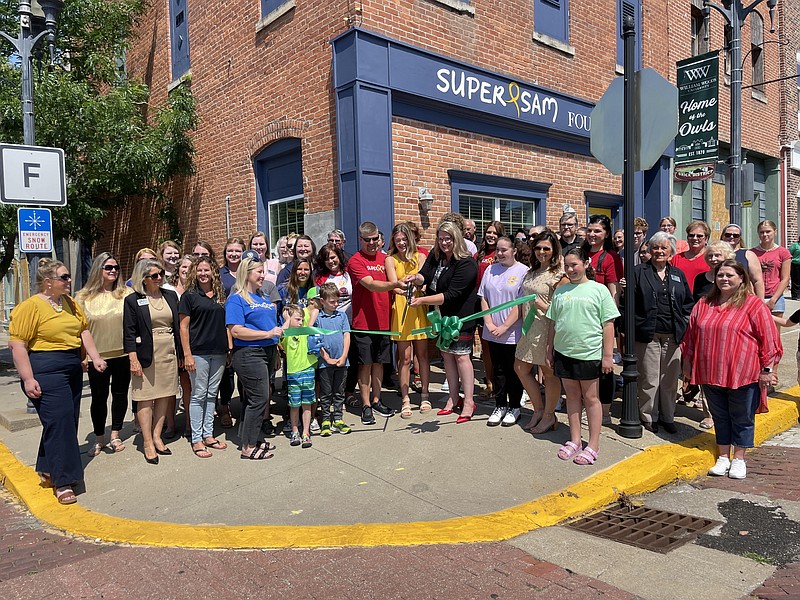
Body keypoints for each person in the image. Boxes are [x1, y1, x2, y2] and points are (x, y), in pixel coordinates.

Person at [9, 259, 107, 505]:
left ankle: (47, 467)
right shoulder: (30, 307)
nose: (69, 281)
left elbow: (84, 331)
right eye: (64, 277)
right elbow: (18, 345)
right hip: (45, 368)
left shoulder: (70, 304)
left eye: (68, 277)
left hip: (71, 366)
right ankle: (63, 481)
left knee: (65, 421)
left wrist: (94, 357)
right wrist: (28, 378)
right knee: (60, 421)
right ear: (48, 282)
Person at [681, 260, 782, 479]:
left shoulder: (753, 305)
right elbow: (691, 336)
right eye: (720, 275)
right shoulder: (704, 303)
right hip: (710, 371)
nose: (724, 279)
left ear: (741, 279)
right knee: (720, 415)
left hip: (743, 373)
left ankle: (739, 459)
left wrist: (767, 369)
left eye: (730, 275)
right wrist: (687, 364)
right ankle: (723, 456)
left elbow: (769, 339)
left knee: (742, 416)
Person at [546, 247, 619, 466]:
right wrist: (549, 350)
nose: (570, 269)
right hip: (564, 352)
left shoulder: (599, 290)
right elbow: (552, 323)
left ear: (586, 263)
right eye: (566, 266)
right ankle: (575, 439)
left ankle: (593, 443)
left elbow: (608, 324)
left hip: (588, 354)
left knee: (591, 398)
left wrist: (608, 356)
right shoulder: (560, 291)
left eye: (574, 265)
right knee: (572, 396)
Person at [408, 221, 480, 423]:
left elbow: (452, 295)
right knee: (447, 356)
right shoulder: (436, 255)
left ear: (456, 238)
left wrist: (422, 300)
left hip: (460, 317)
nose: (444, 242)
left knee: (462, 357)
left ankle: (468, 402)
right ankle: (453, 398)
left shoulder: (466, 263)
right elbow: (425, 274)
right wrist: (415, 278)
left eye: (447, 238)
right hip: (441, 316)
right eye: (440, 239)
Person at [631, 233, 694, 434]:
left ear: (671, 252)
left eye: (663, 248)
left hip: (672, 335)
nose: (659, 251)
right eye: (655, 248)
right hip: (648, 334)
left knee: (669, 379)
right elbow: (629, 303)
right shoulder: (638, 272)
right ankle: (649, 416)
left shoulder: (677, 274)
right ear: (650, 250)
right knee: (650, 378)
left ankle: (668, 416)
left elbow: (687, 304)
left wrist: (683, 324)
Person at [123, 259, 182, 465]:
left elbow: (177, 327)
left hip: (168, 350)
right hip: (145, 352)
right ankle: (147, 442)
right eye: (154, 276)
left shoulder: (171, 295)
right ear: (144, 279)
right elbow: (129, 332)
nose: (159, 278)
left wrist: (182, 354)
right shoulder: (133, 300)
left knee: (165, 394)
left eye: (161, 274)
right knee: (145, 397)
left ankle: (157, 435)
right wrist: (133, 358)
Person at [75, 252, 132, 458]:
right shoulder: (82, 297)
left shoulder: (126, 293)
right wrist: (83, 356)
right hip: (96, 356)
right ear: (98, 269)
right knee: (98, 398)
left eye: (116, 267)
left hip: (123, 354)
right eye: (108, 267)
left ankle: (115, 434)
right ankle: (99, 438)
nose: (113, 271)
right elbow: (79, 330)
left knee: (120, 395)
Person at [347, 221, 405, 424]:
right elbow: (371, 285)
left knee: (379, 363)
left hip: (384, 322)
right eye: (368, 240)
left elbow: (395, 286)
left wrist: (408, 285)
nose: (372, 243)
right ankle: (365, 405)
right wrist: (395, 284)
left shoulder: (386, 258)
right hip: (363, 323)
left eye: (375, 239)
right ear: (360, 239)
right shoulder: (355, 261)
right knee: (365, 365)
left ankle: (377, 399)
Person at [226, 257, 283, 460]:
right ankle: (248, 447)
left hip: (267, 352)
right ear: (246, 273)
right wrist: (267, 335)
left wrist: (275, 344)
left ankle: (252, 437)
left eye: (263, 271)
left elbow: (271, 326)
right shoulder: (237, 298)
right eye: (258, 272)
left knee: (255, 398)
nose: (262, 275)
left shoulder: (263, 297)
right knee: (259, 398)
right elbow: (236, 330)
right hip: (249, 354)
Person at [514, 231, 567, 434]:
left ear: (554, 250)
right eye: (538, 248)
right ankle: (538, 410)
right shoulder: (531, 272)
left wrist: (543, 306)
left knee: (549, 373)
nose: (542, 252)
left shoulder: (558, 276)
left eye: (546, 248)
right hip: (529, 328)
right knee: (520, 367)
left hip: (547, 329)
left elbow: (562, 309)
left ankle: (548, 415)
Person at [179, 256, 229, 458]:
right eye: (199, 270)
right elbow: (183, 327)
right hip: (198, 353)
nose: (203, 274)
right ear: (194, 272)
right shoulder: (189, 296)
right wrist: (187, 354)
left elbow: (225, 324)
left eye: (206, 270)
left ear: (213, 272)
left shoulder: (220, 294)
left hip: (218, 352)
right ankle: (197, 439)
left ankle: (209, 434)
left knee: (211, 394)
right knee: (199, 394)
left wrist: (228, 350)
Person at [479, 236, 528, 427]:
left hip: (512, 332)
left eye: (504, 250)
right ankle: (500, 405)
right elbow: (483, 297)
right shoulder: (490, 269)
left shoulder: (523, 271)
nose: (500, 253)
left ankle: (514, 406)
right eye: (498, 250)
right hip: (492, 331)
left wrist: (505, 327)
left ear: (514, 250)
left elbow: (520, 303)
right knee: (497, 370)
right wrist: (489, 323)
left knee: (513, 371)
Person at [385, 222, 431, 418]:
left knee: (422, 355)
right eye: (398, 240)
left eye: (404, 239)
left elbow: (425, 281)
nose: (402, 243)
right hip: (402, 307)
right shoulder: (390, 259)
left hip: (418, 306)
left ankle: (425, 395)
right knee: (404, 358)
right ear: (394, 242)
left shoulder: (420, 257)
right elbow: (393, 285)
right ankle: (405, 399)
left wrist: (419, 286)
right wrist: (404, 287)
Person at [583, 214, 623, 425]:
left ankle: (605, 411)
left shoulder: (610, 258)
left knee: (604, 367)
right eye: (589, 230)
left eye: (597, 231)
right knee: (585, 365)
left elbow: (613, 292)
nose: (592, 234)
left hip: (599, 321)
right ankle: (589, 404)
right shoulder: (580, 253)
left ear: (606, 234)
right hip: (579, 319)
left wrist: (607, 321)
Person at [314, 283, 352, 435]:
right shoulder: (319, 318)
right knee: (326, 392)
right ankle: (325, 419)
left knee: (339, 391)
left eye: (338, 301)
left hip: (342, 361)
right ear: (322, 301)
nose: (336, 304)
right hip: (325, 362)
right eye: (332, 302)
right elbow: (316, 339)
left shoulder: (341, 316)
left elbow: (347, 335)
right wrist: (326, 357)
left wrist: (343, 356)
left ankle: (338, 419)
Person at [282, 304, 319, 448]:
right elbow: (282, 332)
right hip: (293, 374)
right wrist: (286, 318)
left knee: (307, 404)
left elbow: (315, 310)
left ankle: (306, 432)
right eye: (297, 319)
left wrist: (305, 320)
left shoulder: (305, 332)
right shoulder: (287, 335)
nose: (300, 322)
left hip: (308, 371)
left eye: (301, 319)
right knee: (294, 404)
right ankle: (295, 431)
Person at [476, 221, 506, 398]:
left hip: (500, 305)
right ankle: (490, 381)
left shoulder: (502, 254)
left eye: (495, 233)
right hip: (481, 303)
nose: (491, 235)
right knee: (486, 347)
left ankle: (504, 382)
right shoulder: (479, 254)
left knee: (501, 347)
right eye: (488, 232)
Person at [751, 220, 791, 316]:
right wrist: (754, 296)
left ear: (775, 232)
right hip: (756, 296)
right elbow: (749, 277)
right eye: (762, 232)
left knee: (775, 329)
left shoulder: (783, 252)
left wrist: (773, 299)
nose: (765, 235)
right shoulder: (752, 253)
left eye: (768, 231)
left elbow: (785, 278)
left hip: (775, 297)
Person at [719, 224, 765, 299]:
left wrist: (760, 303)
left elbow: (758, 281)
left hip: (743, 297)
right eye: (728, 235)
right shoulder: (715, 254)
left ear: (739, 238)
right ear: (722, 236)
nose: (731, 237)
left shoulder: (748, 255)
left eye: (735, 235)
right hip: (720, 298)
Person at [314, 243, 352, 320]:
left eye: (333, 257)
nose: (330, 261)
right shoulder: (320, 278)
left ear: (339, 257)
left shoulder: (350, 272)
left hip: (351, 320)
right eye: (327, 259)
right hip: (331, 321)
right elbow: (318, 304)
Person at [671, 221, 710, 293]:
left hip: (702, 300)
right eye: (691, 235)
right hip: (680, 301)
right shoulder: (676, 258)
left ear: (706, 239)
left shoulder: (710, 259)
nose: (695, 238)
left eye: (699, 236)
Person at [790, 234, 800, 300]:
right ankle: (795, 295)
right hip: (795, 264)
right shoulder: (795, 245)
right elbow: (789, 254)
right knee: (795, 280)